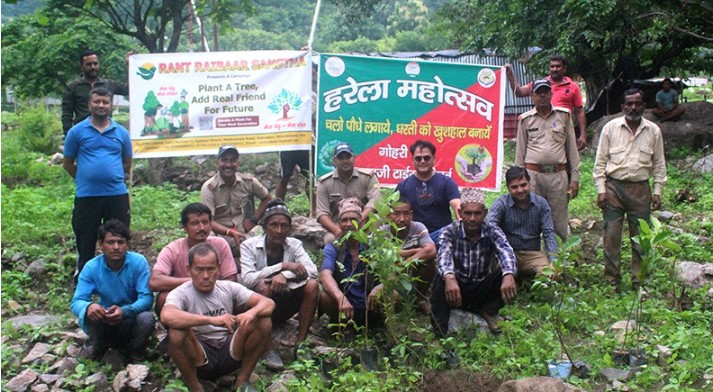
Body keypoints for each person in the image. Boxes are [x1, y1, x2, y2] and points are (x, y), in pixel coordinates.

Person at [161, 243, 274, 392]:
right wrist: (212, 320)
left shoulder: (228, 287)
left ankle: (242, 381)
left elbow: (268, 303)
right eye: (199, 270)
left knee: (263, 320)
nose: (206, 276)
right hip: (199, 355)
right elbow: (167, 315)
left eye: (211, 269)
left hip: (229, 350)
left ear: (219, 268)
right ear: (189, 270)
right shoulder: (181, 293)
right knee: (176, 331)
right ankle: (195, 386)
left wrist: (250, 313)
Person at [594, 88, 666, 290]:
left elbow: (659, 165)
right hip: (613, 188)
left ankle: (639, 281)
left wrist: (658, 191)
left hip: (640, 190)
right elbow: (600, 163)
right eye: (629, 104)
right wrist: (601, 190)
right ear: (622, 107)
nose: (633, 107)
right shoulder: (610, 128)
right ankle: (612, 281)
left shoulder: (653, 131)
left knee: (642, 239)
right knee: (611, 236)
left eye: (637, 103)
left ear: (644, 106)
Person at [63, 87, 133, 278]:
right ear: (89, 104)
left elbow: (127, 162)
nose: (101, 105)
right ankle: (85, 278)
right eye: (97, 102)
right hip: (87, 196)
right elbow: (68, 164)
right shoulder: (76, 132)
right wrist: (86, 178)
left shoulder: (122, 132)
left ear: (111, 105)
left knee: (117, 238)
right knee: (85, 239)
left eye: (105, 102)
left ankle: (118, 278)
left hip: (116, 195)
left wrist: (111, 176)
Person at [240, 199, 319, 369]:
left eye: (284, 226)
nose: (279, 230)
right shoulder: (249, 246)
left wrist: (284, 275)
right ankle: (267, 348)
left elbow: (312, 271)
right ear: (264, 227)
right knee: (262, 287)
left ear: (290, 228)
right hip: (260, 304)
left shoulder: (294, 245)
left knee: (312, 285)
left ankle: (301, 343)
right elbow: (248, 279)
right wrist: (281, 266)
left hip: (285, 302)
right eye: (274, 225)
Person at [430, 189, 517, 336]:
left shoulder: (492, 230)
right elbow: (443, 256)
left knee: (512, 272)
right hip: (457, 288)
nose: (472, 218)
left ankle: (488, 310)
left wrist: (509, 275)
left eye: (477, 213)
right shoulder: (450, 231)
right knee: (441, 277)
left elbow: (505, 251)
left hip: (481, 287)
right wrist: (450, 278)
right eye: (467, 213)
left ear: (485, 213)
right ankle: (439, 330)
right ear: (460, 212)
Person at [70, 220, 154, 361]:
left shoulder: (138, 262)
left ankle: (135, 353)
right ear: (101, 244)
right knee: (89, 313)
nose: (116, 247)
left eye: (120, 242)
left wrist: (125, 311)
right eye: (110, 242)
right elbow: (77, 301)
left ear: (126, 244)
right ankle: (99, 350)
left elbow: (147, 298)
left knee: (147, 318)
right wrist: (89, 306)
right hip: (105, 319)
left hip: (130, 319)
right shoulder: (92, 267)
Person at [514, 78, 580, 241]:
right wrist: (518, 180)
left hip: (558, 176)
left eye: (545, 92)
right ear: (532, 96)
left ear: (551, 94)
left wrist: (575, 178)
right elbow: (520, 153)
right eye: (538, 93)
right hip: (533, 176)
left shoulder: (564, 116)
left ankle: (559, 258)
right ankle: (535, 258)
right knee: (531, 217)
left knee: (558, 220)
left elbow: (572, 149)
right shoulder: (526, 119)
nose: (542, 96)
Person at [150, 203, 238, 317]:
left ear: (211, 224)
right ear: (185, 227)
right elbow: (155, 281)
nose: (201, 228)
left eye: (205, 222)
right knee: (164, 298)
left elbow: (231, 281)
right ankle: (176, 332)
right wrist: (195, 282)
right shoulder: (172, 249)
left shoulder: (220, 244)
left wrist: (209, 286)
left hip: (215, 294)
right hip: (185, 297)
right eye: (195, 223)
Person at [486, 166, 558, 283]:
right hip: (508, 252)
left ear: (529, 183)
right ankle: (518, 280)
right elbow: (489, 226)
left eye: (523, 185)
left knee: (549, 276)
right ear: (508, 188)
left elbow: (548, 233)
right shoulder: (501, 203)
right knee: (498, 276)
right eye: (514, 187)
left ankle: (525, 281)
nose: (520, 190)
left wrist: (554, 261)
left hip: (533, 254)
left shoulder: (541, 204)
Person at [319, 198, 383, 327]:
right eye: (344, 220)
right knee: (324, 296)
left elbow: (391, 274)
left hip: (371, 304)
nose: (349, 224)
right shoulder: (334, 247)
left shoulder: (373, 246)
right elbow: (325, 275)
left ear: (362, 222)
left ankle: (383, 329)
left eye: (353, 219)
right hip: (345, 305)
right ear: (339, 224)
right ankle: (343, 326)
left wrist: (379, 288)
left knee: (393, 294)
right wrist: (340, 298)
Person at [201, 145, 272, 258]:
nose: (228, 165)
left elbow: (267, 198)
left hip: (243, 232)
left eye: (232, 160)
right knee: (208, 240)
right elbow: (208, 221)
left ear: (238, 163)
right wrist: (230, 232)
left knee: (270, 235)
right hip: (220, 234)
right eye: (224, 160)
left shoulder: (248, 181)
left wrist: (253, 220)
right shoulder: (209, 188)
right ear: (217, 162)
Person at [506, 55, 588, 149]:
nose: (554, 69)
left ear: (564, 68)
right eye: (552, 66)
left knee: (565, 160)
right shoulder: (540, 84)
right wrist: (510, 76)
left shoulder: (573, 87)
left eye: (558, 66)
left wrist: (583, 134)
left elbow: (579, 112)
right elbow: (519, 92)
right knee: (540, 156)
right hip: (541, 128)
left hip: (563, 129)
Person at [395, 140, 461, 244]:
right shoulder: (403, 186)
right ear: (412, 161)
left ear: (434, 159)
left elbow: (457, 207)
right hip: (415, 237)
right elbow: (395, 214)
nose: (422, 161)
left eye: (426, 158)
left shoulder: (446, 182)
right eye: (418, 158)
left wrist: (464, 227)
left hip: (442, 235)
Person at [316, 143, 381, 243]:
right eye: (341, 158)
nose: (345, 161)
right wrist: (335, 229)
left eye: (348, 157)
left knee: (377, 230)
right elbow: (322, 213)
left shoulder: (368, 177)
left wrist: (360, 220)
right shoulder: (324, 183)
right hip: (339, 227)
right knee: (330, 240)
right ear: (334, 161)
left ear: (354, 158)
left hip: (363, 224)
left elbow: (375, 201)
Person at [380, 198, 437, 311]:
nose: (402, 219)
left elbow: (431, 249)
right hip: (390, 276)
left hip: (411, 272)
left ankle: (421, 299)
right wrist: (413, 251)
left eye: (406, 214)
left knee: (430, 262)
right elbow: (387, 255)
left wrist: (405, 263)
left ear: (411, 215)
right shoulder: (382, 232)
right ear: (389, 216)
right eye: (396, 214)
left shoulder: (417, 227)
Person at [62, 50, 129, 136]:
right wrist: (69, 137)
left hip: (107, 134)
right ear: (81, 66)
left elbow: (128, 89)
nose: (93, 67)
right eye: (88, 64)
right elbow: (67, 115)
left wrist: (130, 66)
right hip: (82, 135)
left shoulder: (109, 84)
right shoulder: (73, 87)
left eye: (95, 63)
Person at [275, 149, 315, 214]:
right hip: (289, 146)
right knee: (285, 177)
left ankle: (314, 210)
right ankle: (278, 207)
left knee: (310, 177)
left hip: (306, 146)